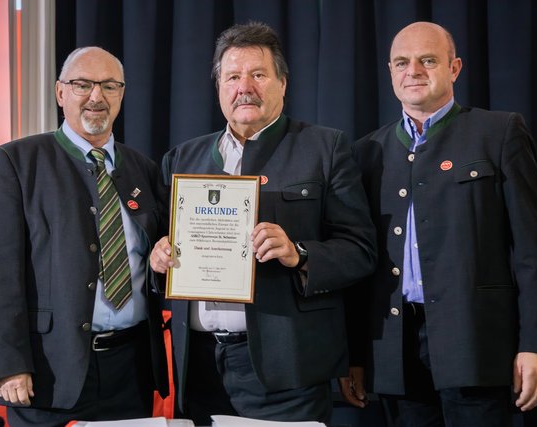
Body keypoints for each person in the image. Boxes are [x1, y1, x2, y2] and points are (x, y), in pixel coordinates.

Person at [149, 21, 377, 425]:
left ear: (283, 83)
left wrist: (299, 253)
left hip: (286, 367)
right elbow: (161, 258)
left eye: (258, 74)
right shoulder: (182, 159)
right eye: (233, 76)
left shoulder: (324, 149)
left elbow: (360, 250)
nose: (244, 87)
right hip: (199, 367)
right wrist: (159, 259)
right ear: (219, 87)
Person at [341, 21, 537, 427]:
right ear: (390, 71)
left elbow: (536, 251)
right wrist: (356, 354)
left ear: (455, 68)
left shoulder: (498, 134)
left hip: (476, 344)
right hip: (397, 349)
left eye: (428, 60)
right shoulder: (367, 151)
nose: (414, 71)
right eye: (402, 63)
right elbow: (361, 262)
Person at [0, 46, 168, 426]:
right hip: (48, 370)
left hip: (130, 370)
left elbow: (159, 260)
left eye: (109, 86)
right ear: (60, 92)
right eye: (83, 85)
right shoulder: (16, 162)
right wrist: (9, 365)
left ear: (122, 95)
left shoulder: (142, 169)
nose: (97, 96)